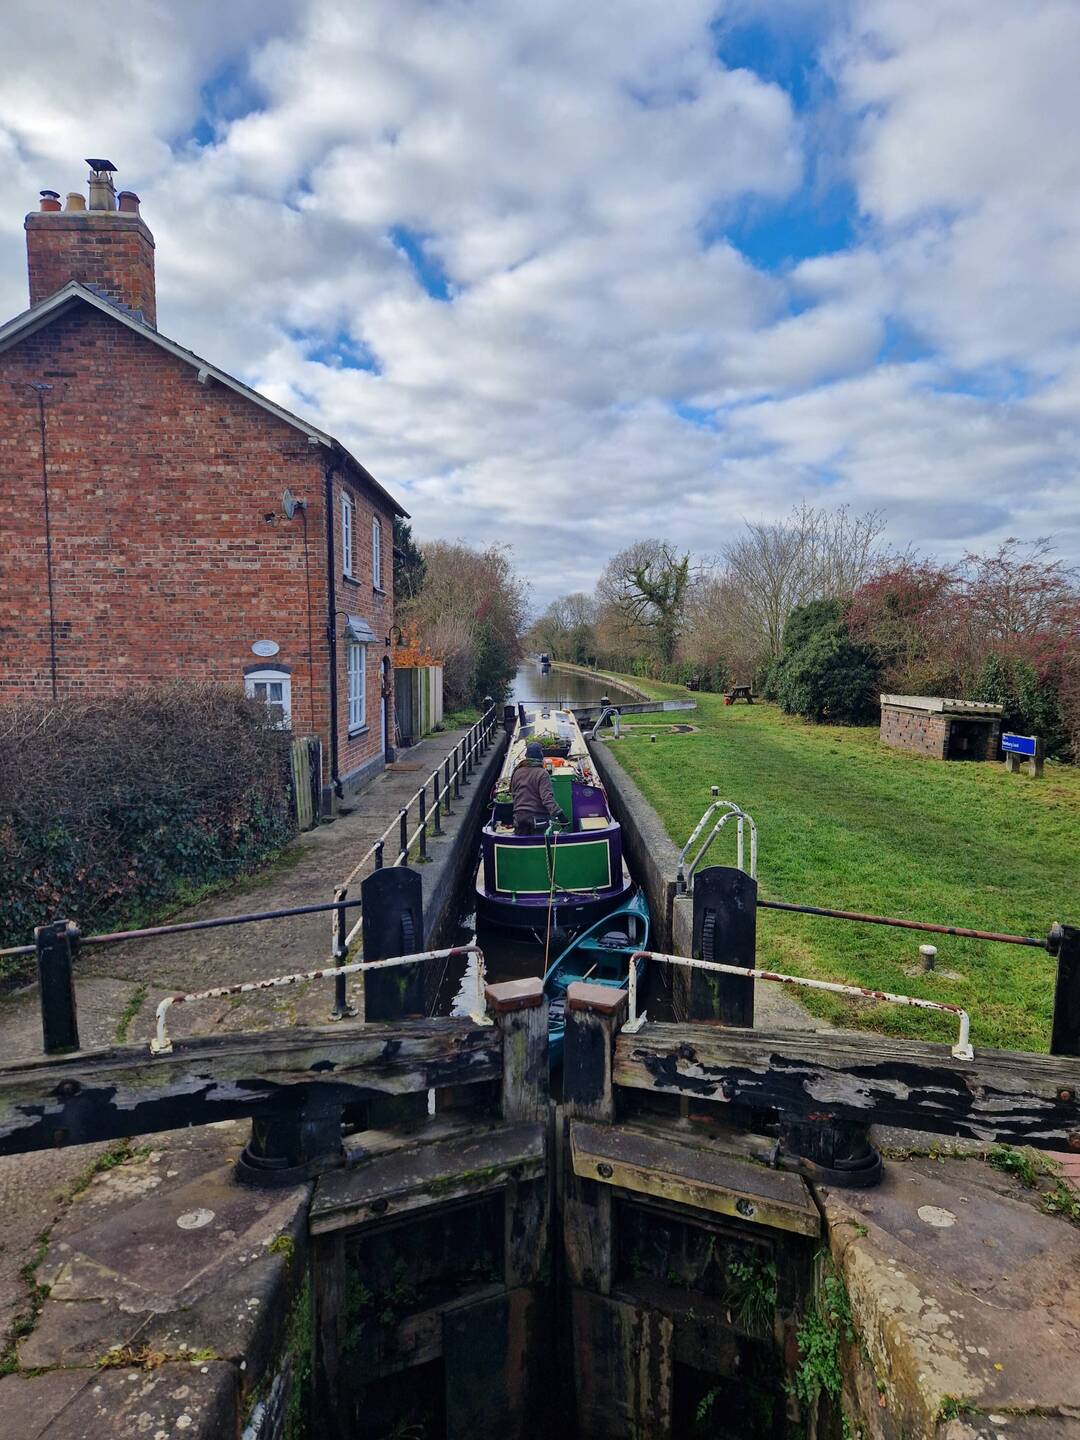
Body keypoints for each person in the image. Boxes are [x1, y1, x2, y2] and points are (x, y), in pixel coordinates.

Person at [510, 741, 568, 834]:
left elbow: (512, 793)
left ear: (526, 755)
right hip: (537, 819)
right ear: (540, 755)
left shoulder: (517, 772)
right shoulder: (542, 773)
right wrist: (560, 815)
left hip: (519, 818)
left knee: (522, 844)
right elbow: (547, 799)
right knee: (539, 844)